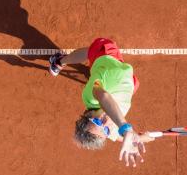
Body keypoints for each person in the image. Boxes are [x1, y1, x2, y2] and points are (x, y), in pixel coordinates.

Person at [49, 38, 154, 167]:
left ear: (88, 116)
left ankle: (60, 60)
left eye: (97, 122)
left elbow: (103, 96)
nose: (106, 123)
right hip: (128, 83)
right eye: (105, 130)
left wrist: (126, 129)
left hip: (107, 58)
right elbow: (117, 137)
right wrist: (141, 138)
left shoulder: (90, 96)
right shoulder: (111, 129)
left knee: (91, 51)